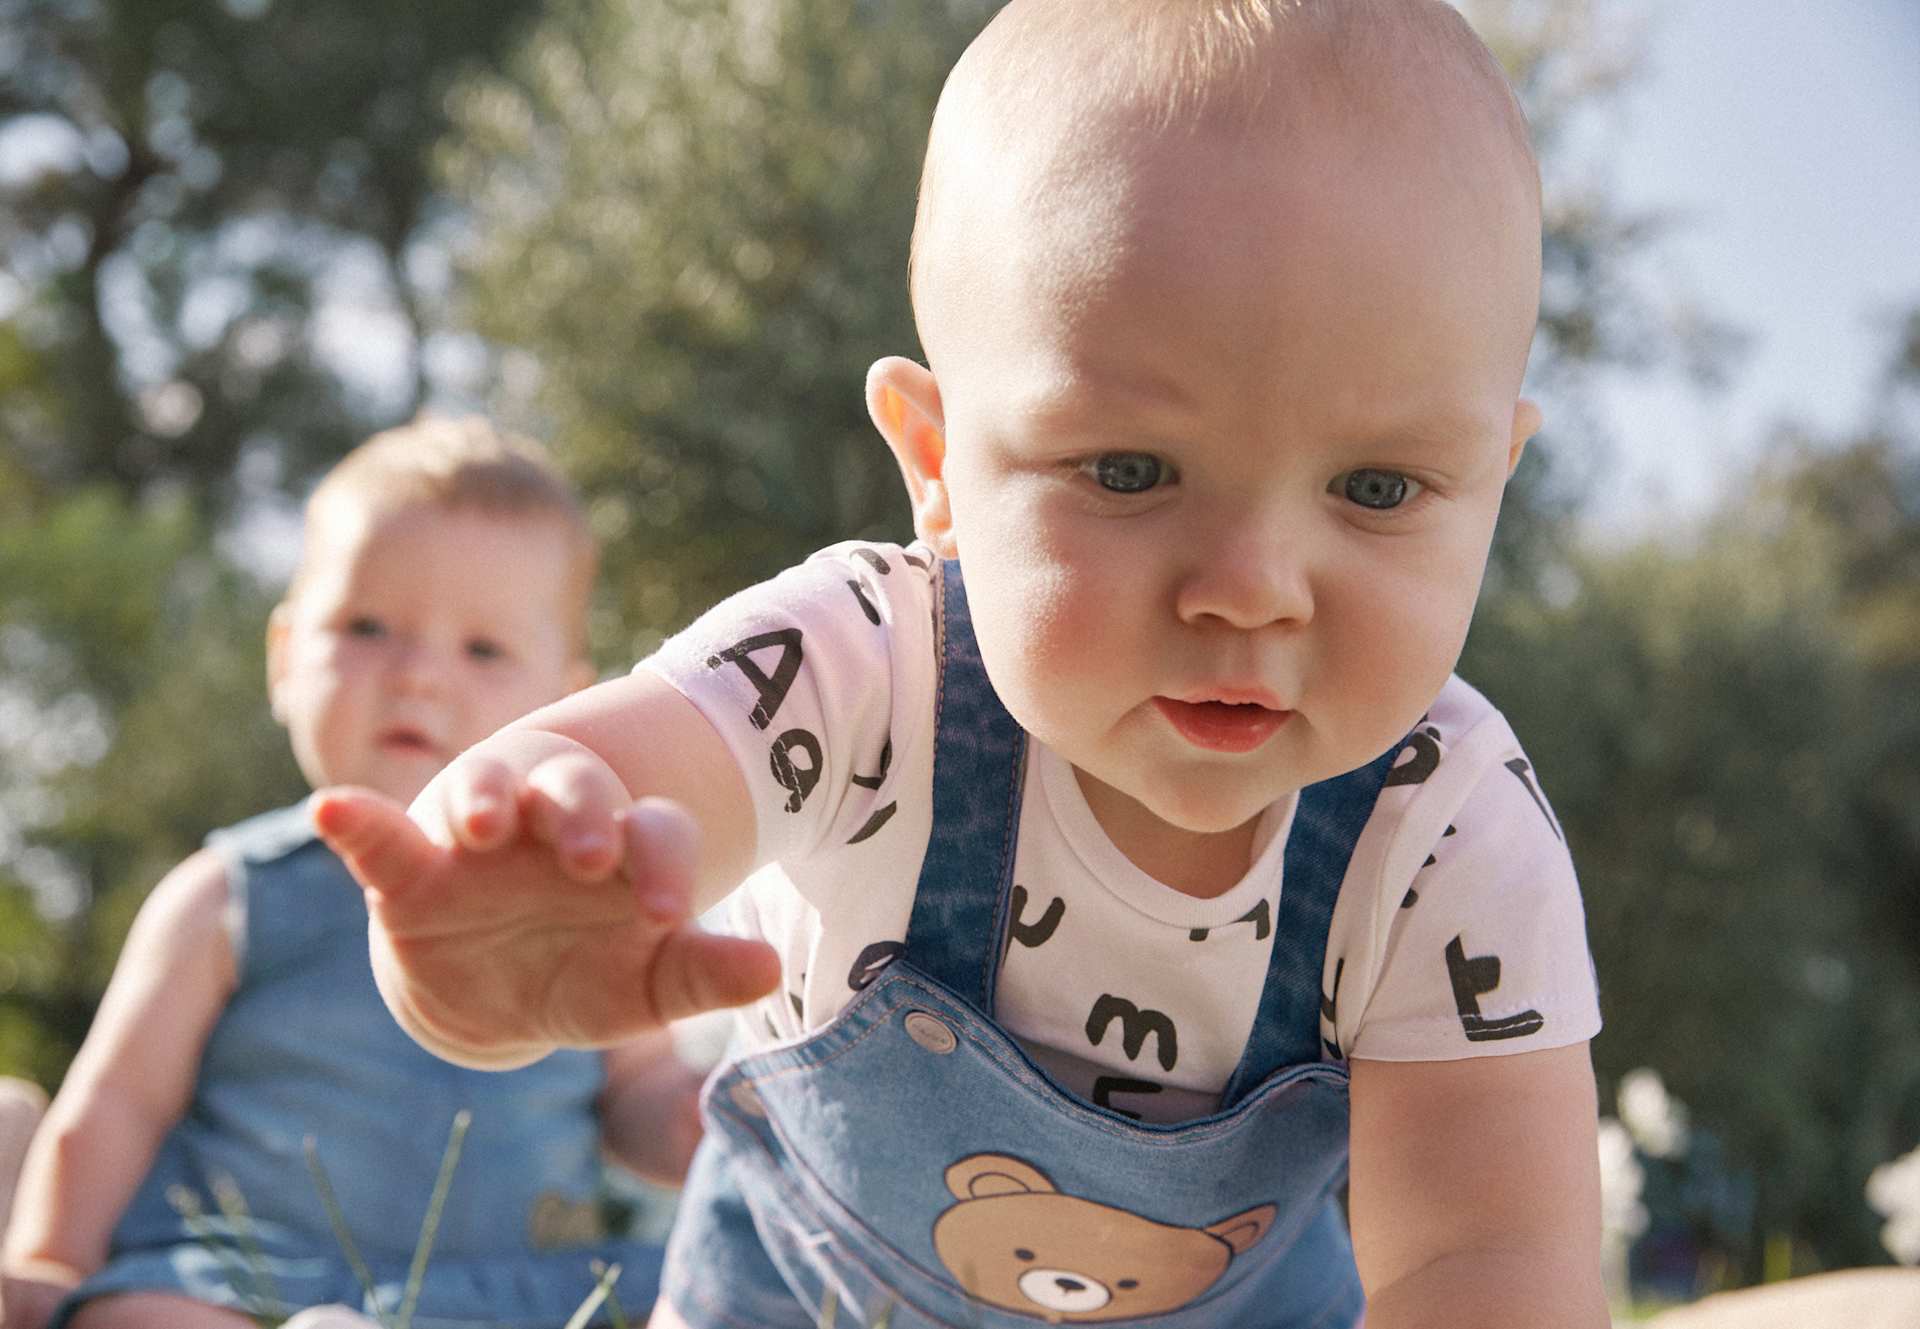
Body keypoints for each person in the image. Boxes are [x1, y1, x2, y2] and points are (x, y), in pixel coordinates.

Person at [313, 3, 1611, 1326]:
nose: (1251, 589)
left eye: (1379, 487)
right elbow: (622, 774)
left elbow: (1487, 1259)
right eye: (1127, 471)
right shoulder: (861, 669)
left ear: (1494, 482)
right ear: (938, 466)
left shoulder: (1450, 839)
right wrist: (497, 908)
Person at [0, 418, 705, 1329]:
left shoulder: (575, 901)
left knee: (695, 1295)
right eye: (367, 627)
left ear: (567, 703)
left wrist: (690, 1117)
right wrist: (50, 1258)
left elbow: (636, 1094)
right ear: (285, 658)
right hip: (246, 1283)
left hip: (506, 1297)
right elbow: (120, 1103)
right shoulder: (231, 892)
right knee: (139, 1315)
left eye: (483, 649)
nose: (417, 676)